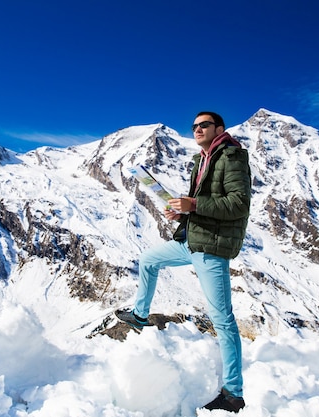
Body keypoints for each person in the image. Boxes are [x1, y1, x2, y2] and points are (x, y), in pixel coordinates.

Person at [116, 111, 251, 413]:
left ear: (219, 128)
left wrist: (194, 204)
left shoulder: (232, 157)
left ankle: (233, 393)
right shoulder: (201, 160)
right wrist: (183, 212)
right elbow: (202, 206)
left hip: (212, 248)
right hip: (191, 240)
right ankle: (140, 315)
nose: (197, 129)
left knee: (224, 321)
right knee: (149, 260)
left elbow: (239, 204)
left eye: (204, 125)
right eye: (194, 126)